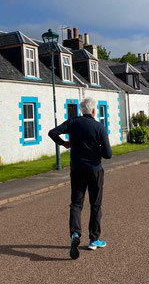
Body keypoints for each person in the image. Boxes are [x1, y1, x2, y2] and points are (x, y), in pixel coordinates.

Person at [48, 97, 112, 260]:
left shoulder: (72, 122)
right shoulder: (99, 127)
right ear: (93, 111)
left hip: (77, 169)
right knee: (95, 204)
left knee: (76, 204)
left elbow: (52, 133)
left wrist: (64, 143)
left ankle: (75, 233)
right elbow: (108, 154)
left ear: (81, 110)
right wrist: (97, 149)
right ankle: (94, 239)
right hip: (94, 170)